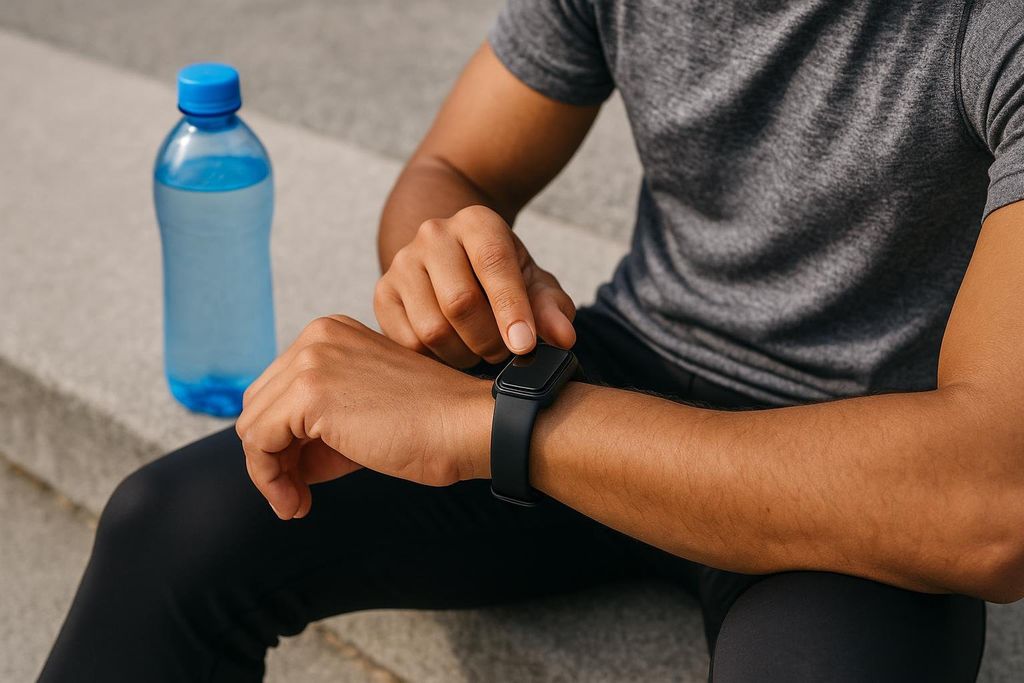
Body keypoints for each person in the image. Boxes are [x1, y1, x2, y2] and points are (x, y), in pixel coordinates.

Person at [41, 1, 1024, 680]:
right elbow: (450, 164)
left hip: (863, 468)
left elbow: (993, 498)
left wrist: (497, 424)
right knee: (171, 520)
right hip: (630, 361)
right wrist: (444, 260)